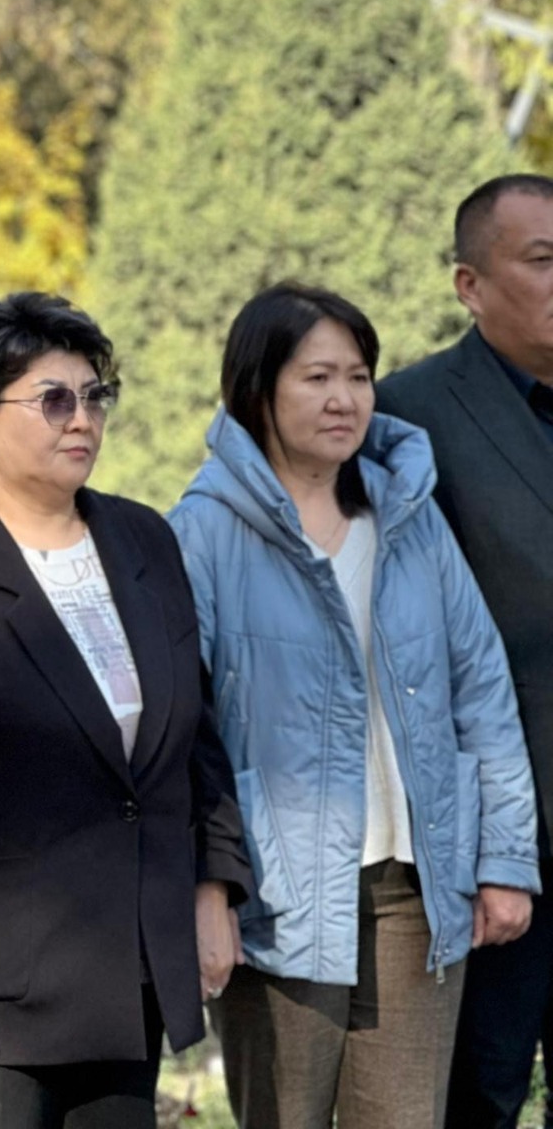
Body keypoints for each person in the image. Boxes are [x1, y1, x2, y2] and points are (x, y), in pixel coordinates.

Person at [169, 282, 537, 1129]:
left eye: (359, 376)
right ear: (257, 388)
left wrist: (504, 860)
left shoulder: (408, 518)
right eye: (316, 377)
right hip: (278, 892)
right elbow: (184, 732)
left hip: (418, 889)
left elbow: (481, 690)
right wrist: (208, 887)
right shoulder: (203, 532)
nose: (344, 399)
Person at [0, 291, 253, 1129]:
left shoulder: (143, 538)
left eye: (94, 396)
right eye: (53, 399)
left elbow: (196, 736)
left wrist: (213, 887)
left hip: (131, 965)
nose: (81, 418)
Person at [376, 174, 553, 1129]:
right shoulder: (405, 420)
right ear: (469, 285)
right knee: (475, 1096)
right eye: (542, 260)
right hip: (490, 847)